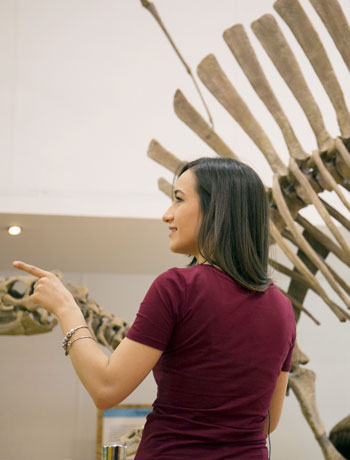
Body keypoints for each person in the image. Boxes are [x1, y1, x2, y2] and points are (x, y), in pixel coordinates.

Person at [13, 157, 296, 460]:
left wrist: (66, 309)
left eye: (178, 200)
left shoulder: (178, 287)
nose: (167, 215)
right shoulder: (282, 307)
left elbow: (106, 388)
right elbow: (270, 420)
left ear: (217, 208)